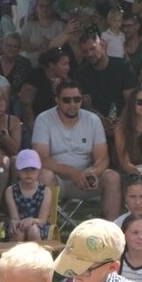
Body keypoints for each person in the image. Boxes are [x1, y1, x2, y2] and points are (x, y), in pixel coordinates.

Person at [33, 80, 122, 218]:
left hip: (84, 180)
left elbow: (103, 158)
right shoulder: (43, 119)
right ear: (57, 100)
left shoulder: (93, 120)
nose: (72, 104)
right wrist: (72, 172)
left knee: (112, 177)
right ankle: (46, 232)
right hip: (56, 180)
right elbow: (41, 159)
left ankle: (112, 232)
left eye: (77, 99)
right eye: (66, 100)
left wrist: (93, 172)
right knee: (45, 175)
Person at [76, 29, 139, 119]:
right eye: (85, 51)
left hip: (124, 121)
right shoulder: (81, 74)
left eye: (93, 48)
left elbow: (131, 100)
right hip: (95, 123)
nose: (89, 54)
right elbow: (86, 105)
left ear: (102, 45)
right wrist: (102, 122)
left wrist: (119, 123)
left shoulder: (123, 66)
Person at [4, 149, 50, 241]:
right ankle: (15, 255)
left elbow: (42, 220)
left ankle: (37, 254)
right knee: (18, 232)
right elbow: (15, 217)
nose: (28, 173)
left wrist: (32, 220)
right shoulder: (10, 191)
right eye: (24, 169)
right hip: (18, 225)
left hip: (38, 226)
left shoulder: (46, 191)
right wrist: (15, 222)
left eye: (33, 169)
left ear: (39, 171)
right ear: (17, 171)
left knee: (33, 230)